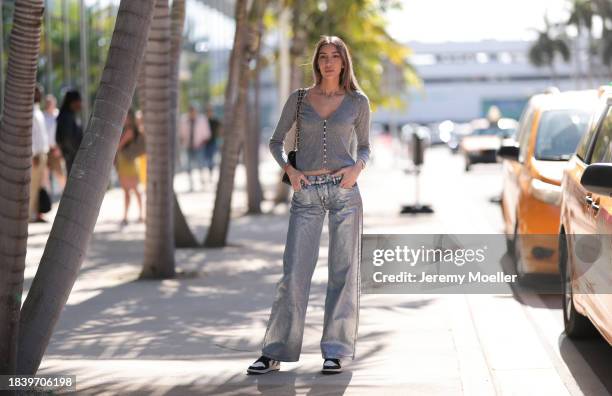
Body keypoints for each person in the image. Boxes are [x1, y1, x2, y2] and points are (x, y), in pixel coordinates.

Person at [247, 36, 370, 375]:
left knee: (343, 273)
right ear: (316, 62)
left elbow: (366, 148)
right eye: (323, 57)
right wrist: (289, 169)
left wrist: (356, 169)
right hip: (306, 192)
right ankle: (274, 351)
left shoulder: (358, 102)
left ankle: (335, 350)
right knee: (294, 273)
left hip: (345, 192)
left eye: (335, 56)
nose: (328, 62)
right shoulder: (300, 99)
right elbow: (275, 141)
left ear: (344, 62)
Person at [115, 111, 144, 226]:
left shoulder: (129, 131)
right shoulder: (127, 130)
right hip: (125, 162)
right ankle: (129, 216)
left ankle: (138, 215)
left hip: (128, 163)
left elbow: (119, 145)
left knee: (133, 190)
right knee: (129, 191)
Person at [179, 103, 211, 190]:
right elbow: (181, 134)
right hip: (187, 147)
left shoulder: (202, 120)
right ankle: (191, 185)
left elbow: (207, 134)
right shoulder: (183, 120)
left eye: (193, 111)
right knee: (188, 166)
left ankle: (203, 183)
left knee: (201, 165)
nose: (192, 113)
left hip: (199, 146)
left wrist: (201, 143)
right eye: (190, 111)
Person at [30, 85, 50, 222]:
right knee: (32, 187)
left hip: (43, 154)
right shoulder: (30, 111)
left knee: (39, 186)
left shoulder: (38, 111)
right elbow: (29, 135)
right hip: (36, 155)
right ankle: (30, 216)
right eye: (37, 93)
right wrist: (33, 154)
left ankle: (37, 214)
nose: (39, 95)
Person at [56, 89, 83, 176]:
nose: (81, 104)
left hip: (72, 157)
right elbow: (66, 139)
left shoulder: (70, 115)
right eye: (79, 101)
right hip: (72, 158)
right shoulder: (67, 117)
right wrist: (77, 154)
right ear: (73, 102)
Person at [43, 94, 66, 193]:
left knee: (60, 174)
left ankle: (65, 196)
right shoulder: (42, 116)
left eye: (50, 102)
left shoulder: (59, 115)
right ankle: (46, 201)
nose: (48, 104)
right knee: (44, 176)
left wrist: (60, 149)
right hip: (44, 150)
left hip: (55, 149)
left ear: (54, 103)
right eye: (47, 102)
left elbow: (63, 133)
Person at [202, 105, 220, 182]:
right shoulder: (203, 121)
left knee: (211, 160)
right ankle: (206, 175)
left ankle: (210, 174)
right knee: (206, 160)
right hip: (204, 143)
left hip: (213, 143)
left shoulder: (215, 121)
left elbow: (220, 131)